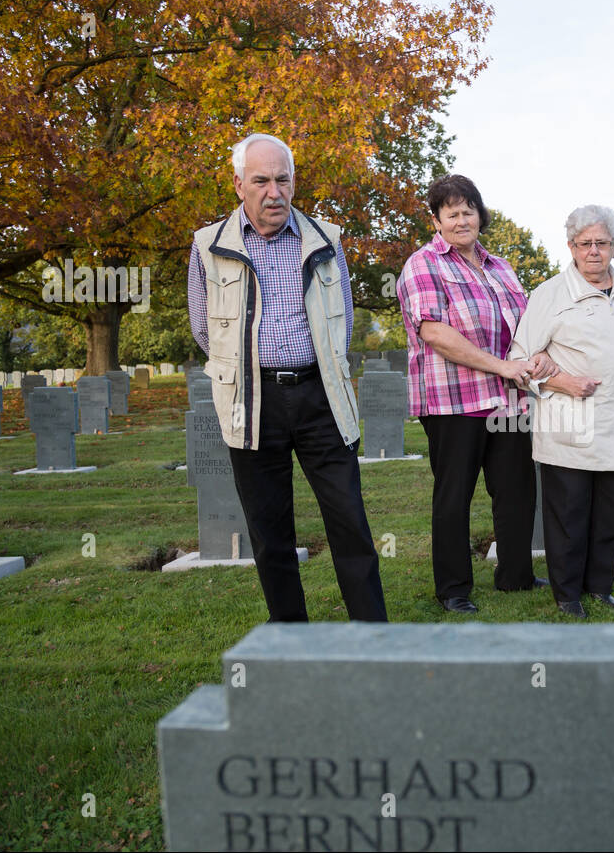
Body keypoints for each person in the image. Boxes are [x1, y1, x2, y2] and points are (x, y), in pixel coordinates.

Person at [187, 132, 387, 623]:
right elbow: (203, 325)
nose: (273, 192)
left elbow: (342, 316)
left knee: (350, 522)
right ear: (239, 184)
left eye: (282, 179)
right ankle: (291, 635)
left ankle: (373, 635)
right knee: (269, 529)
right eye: (261, 180)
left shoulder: (328, 239)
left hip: (321, 397)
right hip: (251, 401)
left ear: (293, 183)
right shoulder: (208, 246)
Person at [396, 174, 551, 613]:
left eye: (469, 211)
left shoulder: (501, 267)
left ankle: (516, 577)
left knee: (517, 491)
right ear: (437, 220)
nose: (462, 220)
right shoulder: (423, 265)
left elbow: (525, 325)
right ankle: (454, 589)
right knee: (454, 495)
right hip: (453, 402)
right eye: (452, 213)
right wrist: (501, 365)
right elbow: (434, 332)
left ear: (480, 215)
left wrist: (536, 355)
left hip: (508, 400)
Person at [510, 205, 614, 618]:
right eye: (585, 244)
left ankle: (600, 585)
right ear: (571, 247)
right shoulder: (550, 295)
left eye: (602, 243)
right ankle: (567, 594)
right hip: (569, 424)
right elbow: (520, 359)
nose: (593, 251)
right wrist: (558, 381)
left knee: (610, 515)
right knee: (569, 516)